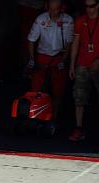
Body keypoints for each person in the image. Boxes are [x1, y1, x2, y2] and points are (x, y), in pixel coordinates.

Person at [27, 0, 74, 120]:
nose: (52, 13)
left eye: (56, 10)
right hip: (42, 55)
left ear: (62, 8)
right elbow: (31, 40)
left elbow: (69, 43)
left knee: (58, 88)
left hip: (59, 57)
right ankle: (34, 114)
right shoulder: (40, 19)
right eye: (50, 9)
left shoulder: (68, 21)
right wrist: (32, 59)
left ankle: (55, 115)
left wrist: (64, 60)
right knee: (36, 87)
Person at [68, 0, 99, 141]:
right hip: (82, 64)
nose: (89, 9)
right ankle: (78, 129)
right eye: (86, 6)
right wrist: (72, 64)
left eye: (92, 6)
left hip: (97, 63)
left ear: (98, 5)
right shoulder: (80, 20)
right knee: (78, 97)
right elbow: (75, 43)